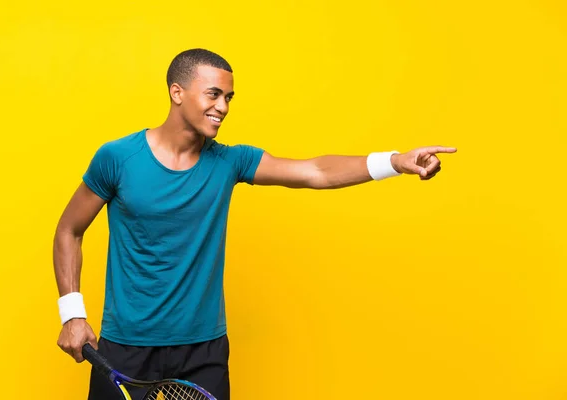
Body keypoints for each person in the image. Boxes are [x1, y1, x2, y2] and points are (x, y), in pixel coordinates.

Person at [53, 48, 456, 400]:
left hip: (203, 350)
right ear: (177, 93)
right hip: (126, 347)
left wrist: (395, 162)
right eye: (213, 94)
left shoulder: (230, 161)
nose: (223, 107)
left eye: (228, 97)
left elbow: (314, 171)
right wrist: (72, 314)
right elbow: (69, 230)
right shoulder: (117, 159)